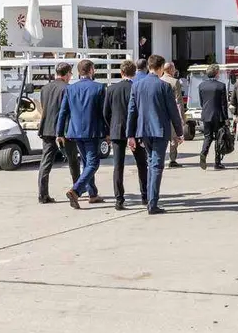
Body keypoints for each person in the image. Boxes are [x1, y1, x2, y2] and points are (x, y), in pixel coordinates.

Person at [126, 54, 184, 215]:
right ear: (160, 68)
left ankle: (150, 198)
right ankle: (152, 203)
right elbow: (173, 111)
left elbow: (132, 111)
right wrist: (179, 132)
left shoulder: (137, 86)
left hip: (143, 131)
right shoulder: (164, 86)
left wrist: (130, 134)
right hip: (159, 131)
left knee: (152, 163)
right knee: (157, 165)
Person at [58, 59, 107, 210]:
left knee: (86, 162)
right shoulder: (99, 88)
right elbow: (104, 112)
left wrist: (59, 132)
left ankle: (92, 193)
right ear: (91, 70)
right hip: (92, 131)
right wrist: (108, 131)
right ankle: (76, 190)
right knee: (93, 163)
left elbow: (63, 112)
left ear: (79, 72)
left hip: (75, 132)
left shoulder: (70, 89)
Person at [104, 60, 149, 210]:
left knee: (118, 166)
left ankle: (119, 199)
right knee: (142, 164)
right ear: (135, 73)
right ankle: (145, 195)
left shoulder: (111, 89)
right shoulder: (138, 88)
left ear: (121, 72)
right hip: (136, 131)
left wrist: (110, 128)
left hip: (117, 130)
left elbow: (106, 112)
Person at [36, 62, 81, 204]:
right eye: (70, 74)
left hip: (47, 129)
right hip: (65, 131)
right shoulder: (68, 88)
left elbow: (44, 107)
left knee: (46, 162)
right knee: (73, 161)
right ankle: (76, 190)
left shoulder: (45, 88)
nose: (70, 77)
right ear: (67, 73)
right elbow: (71, 111)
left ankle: (43, 194)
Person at [198, 64, 228, 170]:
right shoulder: (221, 86)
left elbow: (202, 102)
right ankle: (217, 162)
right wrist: (226, 118)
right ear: (216, 73)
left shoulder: (201, 86)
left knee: (208, 136)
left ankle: (203, 153)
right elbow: (224, 104)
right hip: (218, 115)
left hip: (206, 114)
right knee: (219, 138)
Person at [160, 62, 185, 168]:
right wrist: (181, 117)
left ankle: (160, 158)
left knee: (161, 137)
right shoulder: (175, 82)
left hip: (160, 114)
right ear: (170, 69)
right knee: (173, 138)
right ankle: (172, 159)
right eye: (174, 69)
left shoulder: (158, 81)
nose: (175, 71)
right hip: (171, 114)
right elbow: (178, 101)